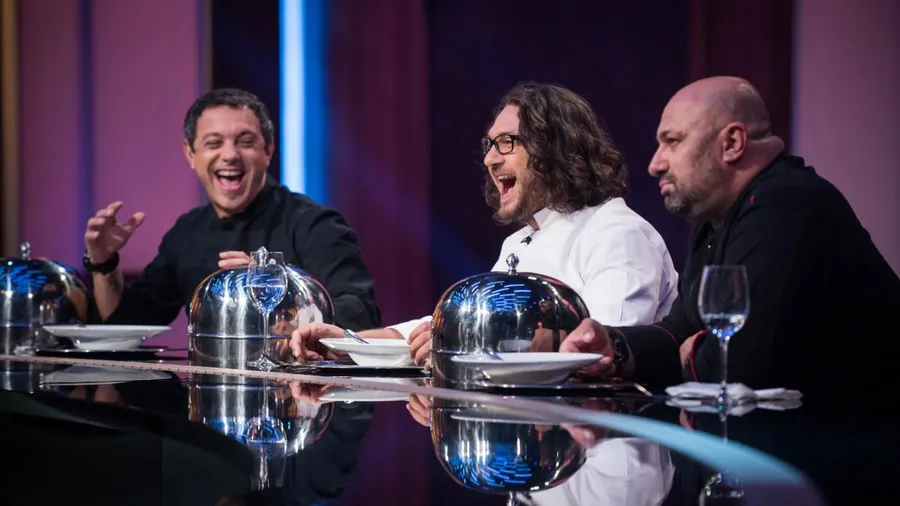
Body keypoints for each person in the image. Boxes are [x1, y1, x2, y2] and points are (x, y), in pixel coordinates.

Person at [290, 82, 678, 365]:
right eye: (490, 145)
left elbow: (600, 349)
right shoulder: (519, 243)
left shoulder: (617, 232)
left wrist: (459, 342)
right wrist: (346, 345)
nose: (490, 159)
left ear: (556, 147)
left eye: (507, 142)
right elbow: (449, 326)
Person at [560, 76, 900, 398]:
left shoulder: (785, 205)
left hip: (862, 432)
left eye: (672, 141)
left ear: (732, 143)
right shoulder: (719, 216)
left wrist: (696, 349)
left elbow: (738, 365)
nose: (655, 164)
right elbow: (682, 329)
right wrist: (614, 347)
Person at [82, 88, 380, 332]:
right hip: (207, 385)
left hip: (294, 387)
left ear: (268, 151)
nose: (229, 155)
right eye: (214, 143)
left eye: (245, 142)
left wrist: (282, 292)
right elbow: (126, 324)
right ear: (191, 154)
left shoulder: (315, 223)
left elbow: (362, 314)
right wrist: (103, 263)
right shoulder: (187, 232)